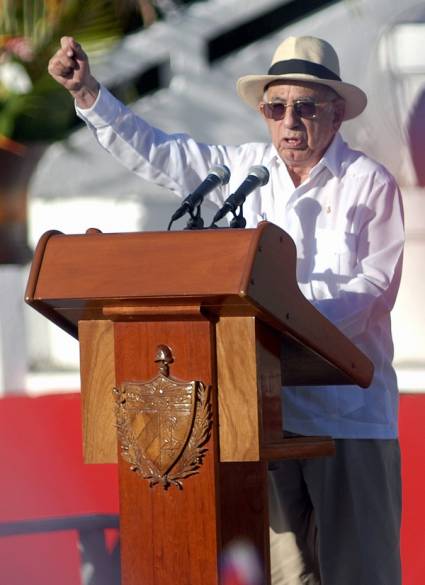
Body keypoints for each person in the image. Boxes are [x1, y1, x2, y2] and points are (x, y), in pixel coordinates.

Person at [48, 35, 404, 585]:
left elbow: (373, 289)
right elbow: (163, 155)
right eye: (276, 107)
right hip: (263, 415)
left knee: (362, 574)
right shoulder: (243, 171)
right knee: (288, 578)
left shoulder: (370, 183)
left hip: (348, 418)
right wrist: (91, 94)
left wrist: (284, 331)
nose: (290, 121)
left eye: (305, 107)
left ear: (335, 114)